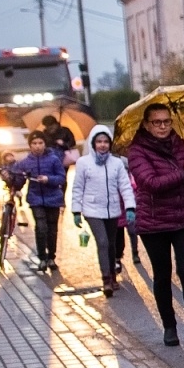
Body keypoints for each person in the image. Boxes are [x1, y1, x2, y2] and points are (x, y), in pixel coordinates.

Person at [127, 102, 184, 349]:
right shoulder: (136, 151)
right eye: (157, 122)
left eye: (167, 121)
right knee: (162, 274)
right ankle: (169, 326)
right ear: (146, 124)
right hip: (153, 222)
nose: (163, 126)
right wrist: (183, 171)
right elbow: (151, 183)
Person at [70, 124, 135, 297]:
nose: (102, 145)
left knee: (112, 245)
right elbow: (78, 188)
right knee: (103, 242)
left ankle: (113, 276)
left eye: (106, 141)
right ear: (93, 143)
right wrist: (76, 211)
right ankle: (106, 278)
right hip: (92, 209)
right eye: (99, 141)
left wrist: (130, 206)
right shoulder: (84, 163)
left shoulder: (117, 163)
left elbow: (125, 186)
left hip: (113, 210)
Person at [10, 131, 66, 272]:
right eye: (34, 143)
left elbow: (61, 178)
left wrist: (48, 179)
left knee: (52, 229)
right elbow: (19, 180)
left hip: (53, 199)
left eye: (40, 143)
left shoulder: (53, 159)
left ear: (45, 144)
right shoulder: (25, 162)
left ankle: (51, 257)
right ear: (30, 145)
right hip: (36, 199)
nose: (37, 146)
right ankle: (42, 258)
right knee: (41, 228)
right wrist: (12, 179)